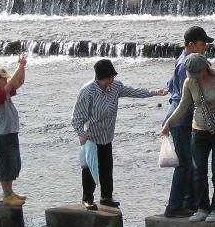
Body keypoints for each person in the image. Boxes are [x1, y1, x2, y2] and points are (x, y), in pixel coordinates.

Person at [71, 59, 166, 210]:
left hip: (107, 136)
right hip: (91, 137)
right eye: (109, 78)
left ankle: (106, 197)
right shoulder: (87, 92)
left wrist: (154, 92)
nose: (112, 80)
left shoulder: (115, 86)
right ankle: (87, 198)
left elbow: (132, 91)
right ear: (99, 78)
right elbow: (76, 118)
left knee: (107, 167)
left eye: (113, 77)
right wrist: (81, 134)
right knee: (90, 167)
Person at [162, 53, 215, 223]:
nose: (195, 77)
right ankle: (202, 208)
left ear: (206, 67)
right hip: (198, 132)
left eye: (197, 73)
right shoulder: (189, 82)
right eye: (192, 74)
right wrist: (169, 122)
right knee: (198, 172)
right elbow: (183, 105)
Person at [162, 26, 214, 217]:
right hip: (181, 118)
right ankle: (173, 206)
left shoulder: (182, 59)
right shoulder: (187, 64)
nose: (205, 47)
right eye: (202, 44)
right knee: (184, 164)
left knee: (189, 163)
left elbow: (169, 85)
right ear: (191, 45)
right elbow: (191, 96)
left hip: (178, 115)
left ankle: (188, 203)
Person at [0, 54, 28, 206]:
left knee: (13, 163)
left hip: (11, 134)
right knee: (5, 165)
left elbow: (18, 83)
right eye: (3, 80)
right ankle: (6, 194)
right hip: (3, 136)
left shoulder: (4, 92)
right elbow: (11, 85)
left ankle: (11, 192)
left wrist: (22, 68)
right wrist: (20, 66)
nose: (6, 82)